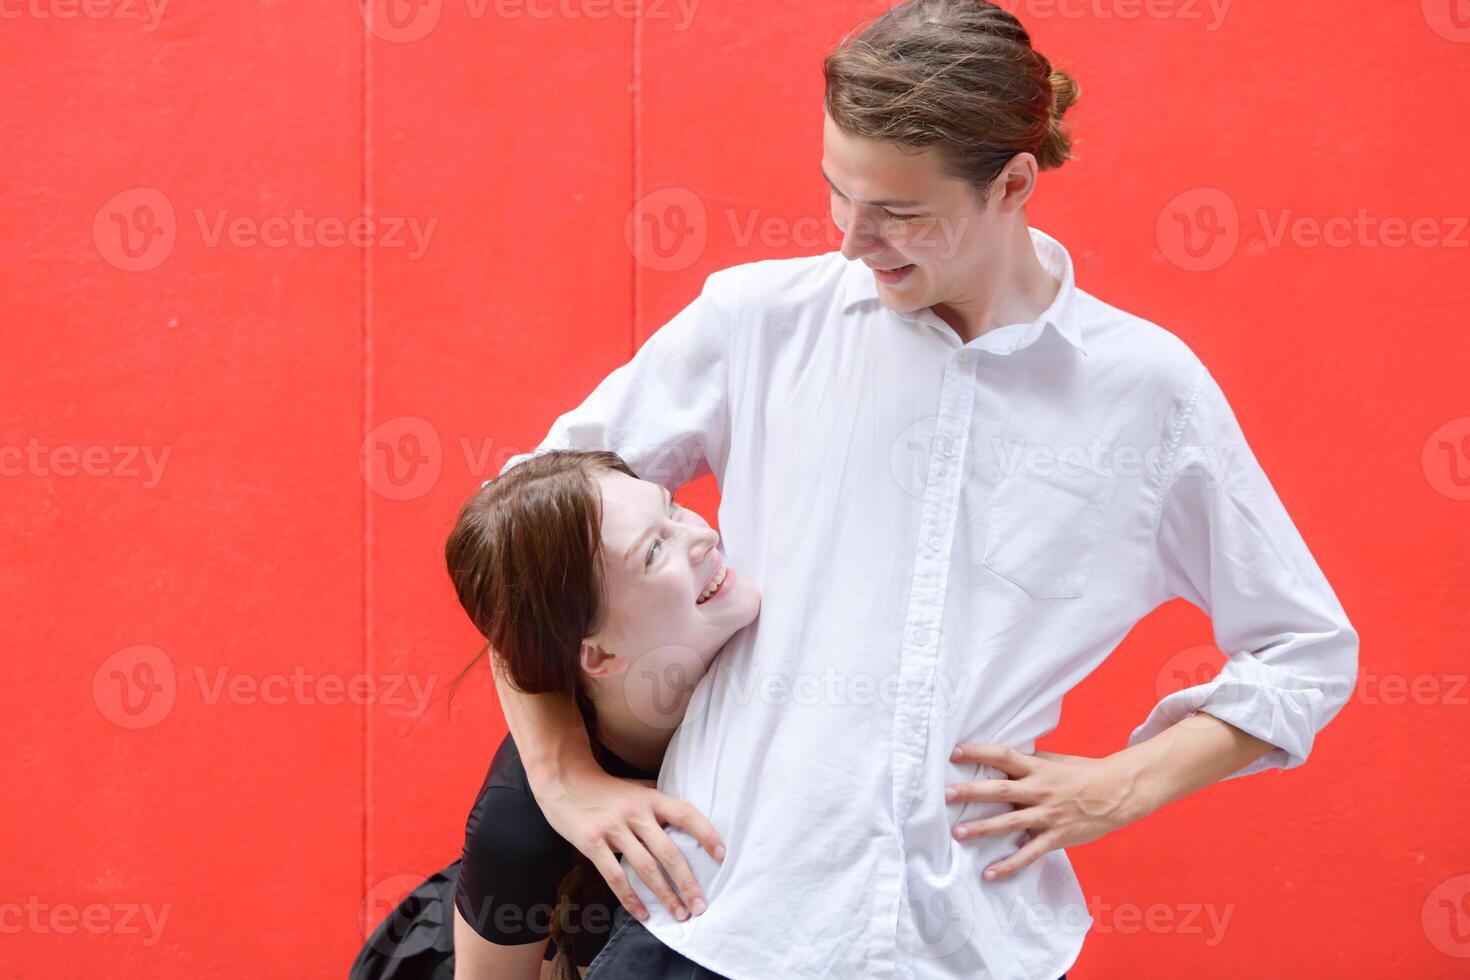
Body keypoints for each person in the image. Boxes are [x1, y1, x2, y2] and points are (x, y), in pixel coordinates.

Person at [490, 3, 1359, 978]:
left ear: (1015, 184)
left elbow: (1307, 650)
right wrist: (561, 780)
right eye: (837, 194)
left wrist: (1127, 783)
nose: (856, 241)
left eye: (901, 212)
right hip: (714, 916)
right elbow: (519, 534)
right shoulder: (759, 321)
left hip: (968, 945)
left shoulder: (1145, 392)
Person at [443, 449, 760, 979]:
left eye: (674, 508)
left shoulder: (748, 639)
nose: (704, 535)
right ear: (600, 656)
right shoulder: (518, 827)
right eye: (654, 551)